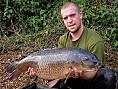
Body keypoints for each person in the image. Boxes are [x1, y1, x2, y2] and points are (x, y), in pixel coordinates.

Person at [27, 2, 117, 89]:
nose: (69, 21)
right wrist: (38, 70)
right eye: (65, 18)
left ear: (80, 15)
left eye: (72, 15)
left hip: (89, 81)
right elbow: (57, 68)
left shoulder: (94, 41)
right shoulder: (63, 39)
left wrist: (78, 72)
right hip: (69, 78)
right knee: (50, 63)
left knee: (107, 75)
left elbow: (96, 69)